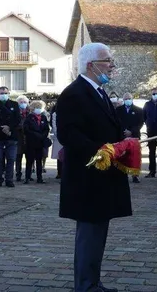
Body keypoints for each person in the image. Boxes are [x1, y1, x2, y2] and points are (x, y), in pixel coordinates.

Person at [56, 43, 131, 292]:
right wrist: (102, 149)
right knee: (89, 234)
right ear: (91, 65)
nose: (112, 65)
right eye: (107, 60)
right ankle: (85, 286)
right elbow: (69, 135)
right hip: (87, 177)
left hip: (103, 176)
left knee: (98, 233)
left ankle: (93, 282)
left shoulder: (99, 92)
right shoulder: (74, 94)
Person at [0, 87, 21, 188]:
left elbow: (17, 119)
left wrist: (9, 127)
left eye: (6, 93)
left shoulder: (14, 104)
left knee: (11, 159)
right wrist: (2, 128)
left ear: (8, 93)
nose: (4, 94)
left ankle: (9, 179)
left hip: (11, 136)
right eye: (2, 93)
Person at [116, 92, 144, 183]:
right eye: (126, 99)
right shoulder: (118, 110)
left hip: (134, 136)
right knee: (122, 156)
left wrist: (131, 131)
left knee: (135, 156)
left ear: (132, 99)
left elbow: (140, 123)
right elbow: (117, 122)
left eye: (129, 98)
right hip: (122, 136)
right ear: (123, 100)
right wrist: (124, 132)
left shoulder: (139, 110)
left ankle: (135, 175)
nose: (128, 100)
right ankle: (122, 174)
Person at [23, 100, 50, 184]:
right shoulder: (29, 117)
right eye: (37, 108)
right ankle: (27, 177)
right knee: (29, 161)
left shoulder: (43, 117)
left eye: (40, 108)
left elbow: (46, 128)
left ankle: (40, 178)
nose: (38, 109)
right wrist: (36, 135)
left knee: (39, 161)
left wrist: (43, 135)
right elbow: (26, 130)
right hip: (31, 142)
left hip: (40, 142)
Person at [143, 87, 157, 178]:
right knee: (151, 152)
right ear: (151, 95)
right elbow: (144, 116)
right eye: (154, 94)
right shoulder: (147, 104)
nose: (155, 95)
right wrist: (148, 124)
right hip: (151, 131)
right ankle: (152, 171)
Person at [15, 95, 30, 182]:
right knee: (18, 157)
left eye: (25, 102)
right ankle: (18, 174)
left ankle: (28, 175)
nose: (23, 104)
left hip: (28, 137)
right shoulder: (16, 112)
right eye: (21, 102)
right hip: (18, 137)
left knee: (29, 157)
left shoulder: (30, 112)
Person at [50, 105, 63, 180]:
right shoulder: (55, 114)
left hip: (68, 137)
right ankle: (59, 172)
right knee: (59, 156)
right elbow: (54, 125)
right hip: (58, 137)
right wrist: (58, 134)